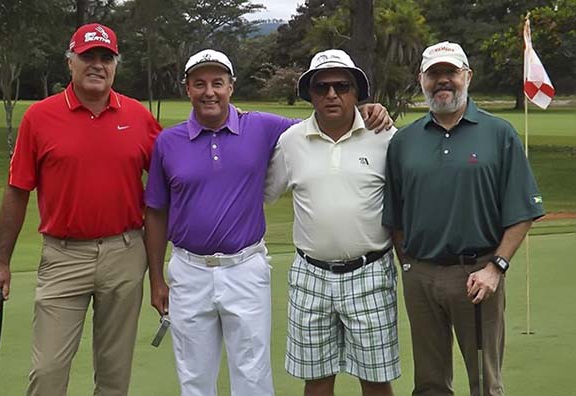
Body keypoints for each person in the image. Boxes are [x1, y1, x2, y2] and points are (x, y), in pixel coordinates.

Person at [144, 49, 392, 396]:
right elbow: (156, 211)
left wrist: (364, 112)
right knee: (194, 375)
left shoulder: (261, 126)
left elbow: (324, 125)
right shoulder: (167, 143)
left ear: (231, 86)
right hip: (189, 270)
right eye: (199, 84)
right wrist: (156, 278)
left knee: (252, 372)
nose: (209, 91)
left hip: (244, 267)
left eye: (218, 83)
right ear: (187, 88)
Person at [0, 23, 162, 396]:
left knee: (114, 377)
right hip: (63, 256)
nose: (97, 65)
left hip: (125, 253)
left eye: (106, 58)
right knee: (47, 373)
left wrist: (232, 121)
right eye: (88, 57)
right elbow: (18, 191)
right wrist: (2, 264)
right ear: (71, 62)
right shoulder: (40, 117)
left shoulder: (137, 116)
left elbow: (174, 174)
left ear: (115, 64)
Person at [382, 41, 545, 396]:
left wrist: (496, 267)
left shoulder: (499, 134)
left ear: (467, 76)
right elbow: (394, 215)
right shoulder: (404, 141)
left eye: (451, 72)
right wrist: (408, 266)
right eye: (434, 74)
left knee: (485, 384)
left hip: (478, 276)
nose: (443, 81)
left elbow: (522, 212)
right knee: (429, 385)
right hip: (421, 276)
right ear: (421, 79)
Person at [264, 49, 400, 396]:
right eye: (321, 87)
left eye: (342, 86)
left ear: (357, 92)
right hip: (311, 273)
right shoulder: (291, 141)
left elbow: (407, 201)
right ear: (310, 93)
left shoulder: (385, 136)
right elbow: (262, 195)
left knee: (375, 378)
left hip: (370, 272)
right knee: (317, 379)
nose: (331, 95)